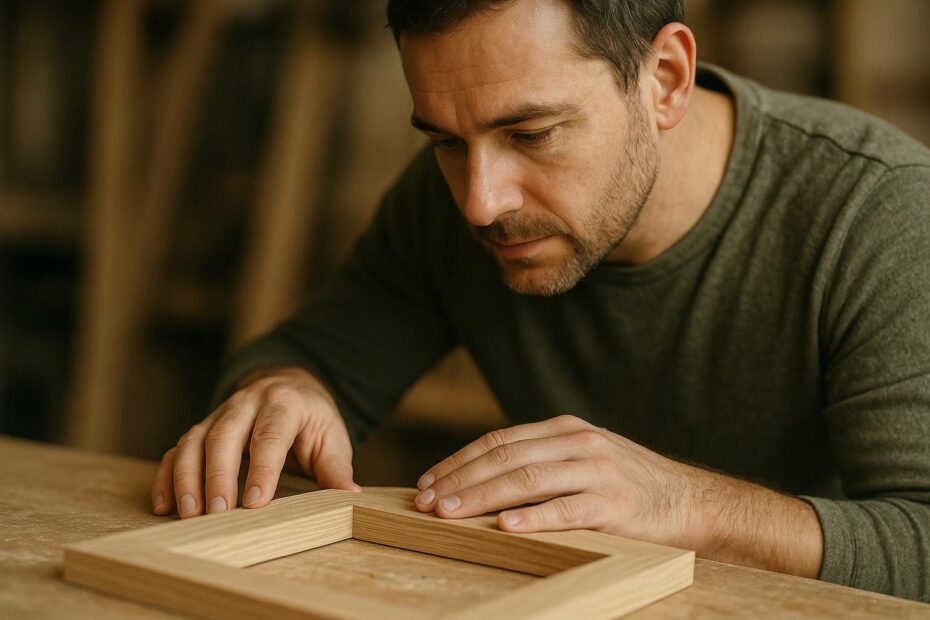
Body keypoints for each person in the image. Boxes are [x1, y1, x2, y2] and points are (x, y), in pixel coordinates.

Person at [150, 0, 930, 602]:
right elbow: (311, 358)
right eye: (446, 142)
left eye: (532, 134)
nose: (482, 203)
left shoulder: (879, 215)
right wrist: (284, 391)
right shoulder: (447, 204)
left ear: (665, 79)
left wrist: (684, 505)